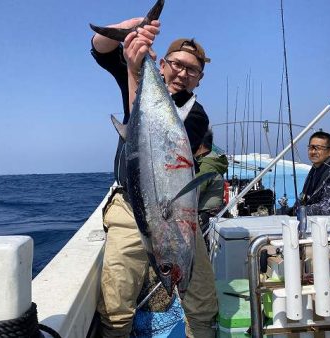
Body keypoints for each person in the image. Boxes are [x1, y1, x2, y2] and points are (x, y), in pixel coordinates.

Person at [91, 18, 217, 338]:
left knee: (202, 301)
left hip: (179, 215)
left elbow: (155, 153)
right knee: (116, 305)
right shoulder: (135, 73)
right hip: (130, 206)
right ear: (162, 64)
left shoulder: (196, 114)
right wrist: (131, 31)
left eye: (192, 70)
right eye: (177, 64)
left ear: (199, 80)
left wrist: (136, 71)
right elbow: (100, 46)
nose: (182, 73)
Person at [195, 129, 228, 240]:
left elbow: (195, 193)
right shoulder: (214, 159)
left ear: (200, 145)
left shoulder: (205, 165)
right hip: (213, 214)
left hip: (205, 216)